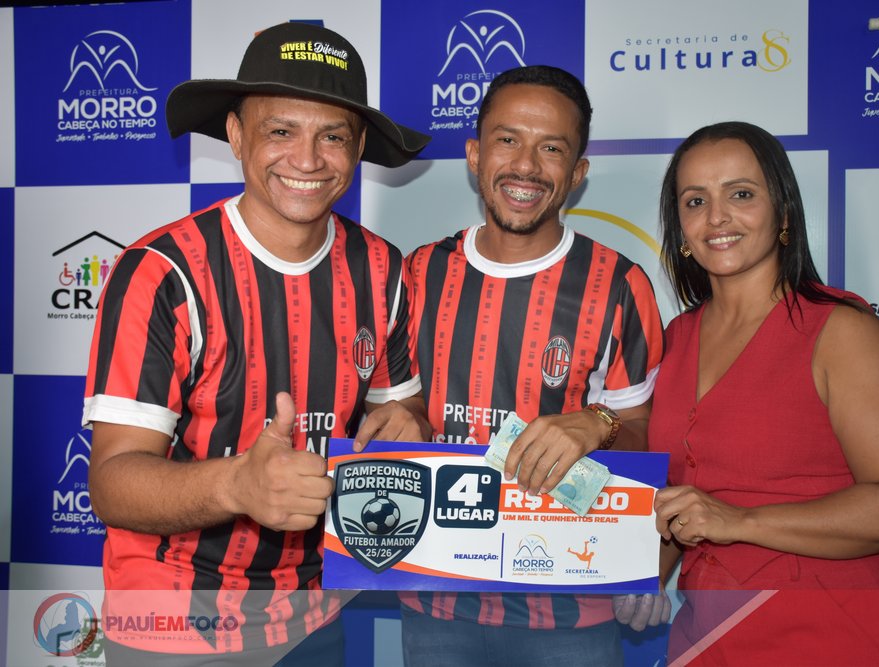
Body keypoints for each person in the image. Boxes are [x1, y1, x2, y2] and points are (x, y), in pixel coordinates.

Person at [83, 22, 431, 667]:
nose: (308, 159)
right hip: (172, 623)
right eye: (281, 131)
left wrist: (407, 423)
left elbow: (402, 412)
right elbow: (111, 483)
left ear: (358, 148)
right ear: (237, 135)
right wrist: (236, 486)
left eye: (333, 136)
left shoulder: (382, 268)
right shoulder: (161, 272)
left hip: (316, 613)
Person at [399, 65, 668, 667]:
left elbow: (645, 435)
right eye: (507, 140)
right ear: (475, 154)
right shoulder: (418, 273)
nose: (526, 166)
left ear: (577, 173)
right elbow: (399, 402)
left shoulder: (620, 284)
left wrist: (598, 423)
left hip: (572, 608)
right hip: (436, 598)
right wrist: (404, 416)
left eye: (551, 148)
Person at [649, 121, 879, 665]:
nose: (717, 217)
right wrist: (643, 578)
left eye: (741, 194)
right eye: (695, 201)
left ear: (784, 214)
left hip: (836, 635)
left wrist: (741, 521)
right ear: (680, 228)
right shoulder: (674, 339)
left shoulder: (840, 330)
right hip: (707, 636)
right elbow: (680, 498)